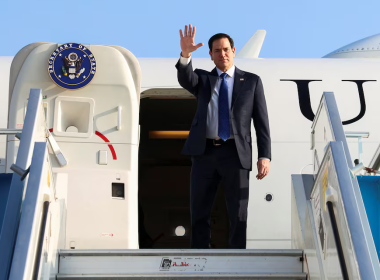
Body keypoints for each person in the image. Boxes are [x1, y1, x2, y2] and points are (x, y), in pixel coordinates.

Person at [176, 24, 271, 249]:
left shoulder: (251, 81)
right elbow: (185, 78)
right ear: (210, 55)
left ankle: (237, 256)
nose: (223, 54)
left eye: (226, 49)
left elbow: (261, 121)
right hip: (204, 153)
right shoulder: (202, 79)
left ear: (234, 50)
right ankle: (200, 254)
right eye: (217, 51)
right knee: (199, 209)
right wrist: (186, 54)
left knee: (238, 211)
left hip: (235, 153)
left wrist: (264, 156)